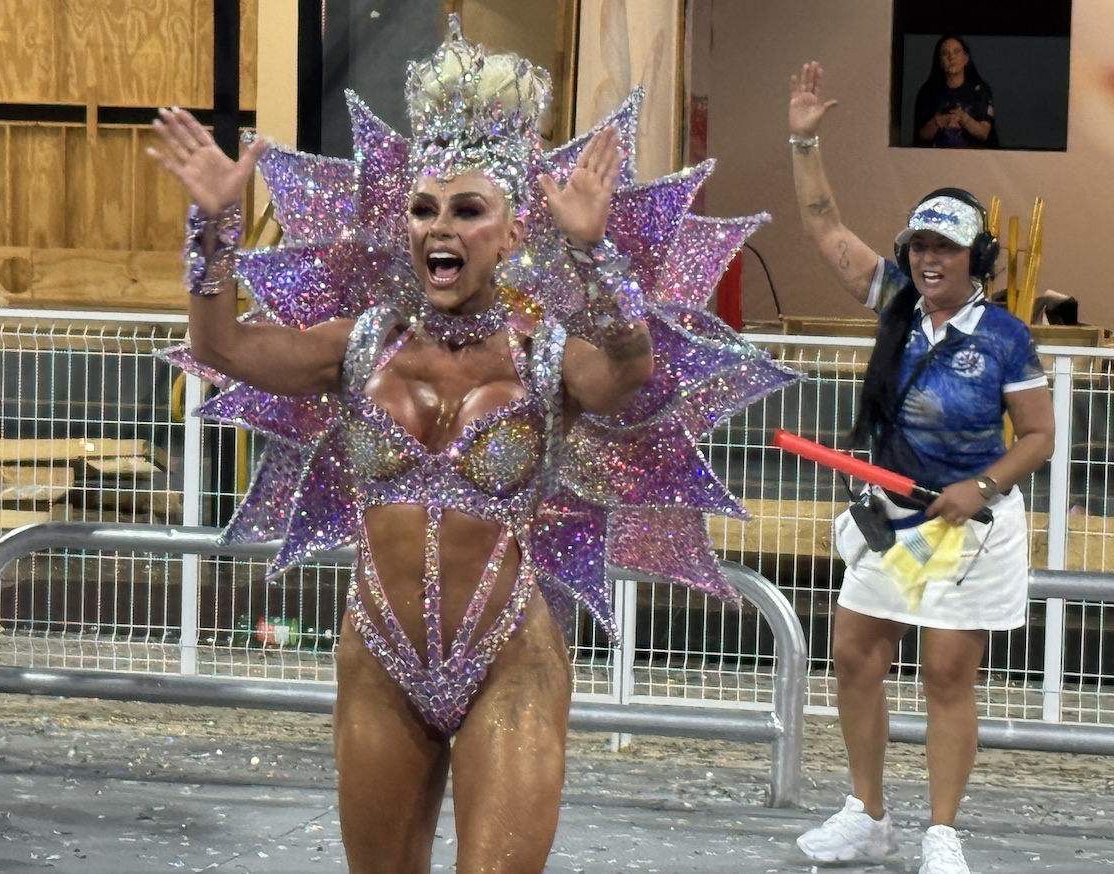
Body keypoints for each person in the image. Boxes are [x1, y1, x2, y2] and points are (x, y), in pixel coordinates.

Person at [148, 17, 796, 873]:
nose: (437, 228)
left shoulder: (548, 352)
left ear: (513, 230)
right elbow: (224, 348)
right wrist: (215, 229)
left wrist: (596, 257)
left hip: (510, 662)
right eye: (423, 209)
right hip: (379, 656)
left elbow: (632, 375)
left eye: (466, 209)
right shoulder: (360, 344)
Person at [787, 62, 1054, 874]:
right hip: (892, 518)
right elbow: (824, 227)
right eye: (921, 245)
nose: (932, 259)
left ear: (979, 258)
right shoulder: (896, 305)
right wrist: (803, 139)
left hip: (970, 524)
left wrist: (984, 485)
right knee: (856, 654)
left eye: (949, 247)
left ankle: (942, 832)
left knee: (946, 673)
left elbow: (1037, 435)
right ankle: (867, 816)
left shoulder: (1006, 336)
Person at [913, 35, 998, 148]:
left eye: (956, 51)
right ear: (939, 61)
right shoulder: (928, 92)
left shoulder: (980, 90)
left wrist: (963, 118)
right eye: (945, 53)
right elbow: (922, 136)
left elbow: (984, 133)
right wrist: (939, 122)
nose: (951, 57)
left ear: (966, 58)